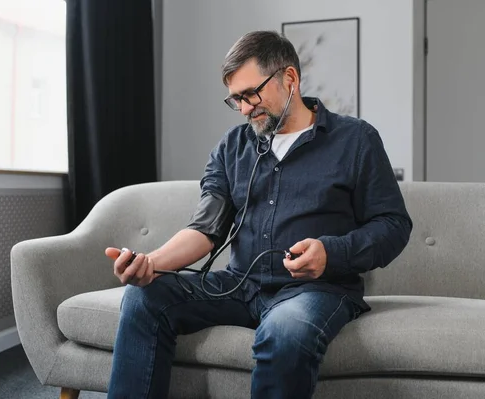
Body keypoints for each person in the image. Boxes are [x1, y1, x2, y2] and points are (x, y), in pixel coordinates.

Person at [104, 30, 412, 399]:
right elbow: (205, 228)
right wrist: (149, 264)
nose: (246, 108)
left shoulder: (356, 140)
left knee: (285, 332)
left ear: (290, 79)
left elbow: (394, 225)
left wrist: (331, 253)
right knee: (143, 297)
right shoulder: (232, 147)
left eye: (251, 94)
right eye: (236, 99)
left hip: (316, 289)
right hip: (239, 285)